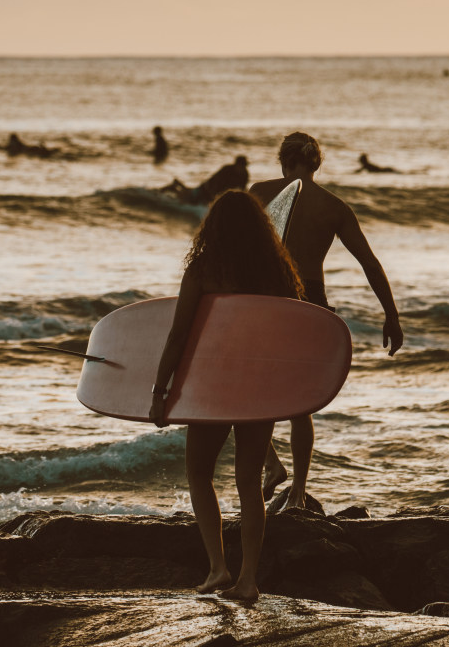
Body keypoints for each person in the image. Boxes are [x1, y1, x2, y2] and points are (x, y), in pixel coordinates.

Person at [149, 190, 305, 602]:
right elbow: (291, 335)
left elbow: (178, 336)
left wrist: (159, 392)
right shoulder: (277, 272)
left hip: (213, 385)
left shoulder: (204, 269)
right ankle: (249, 579)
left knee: (199, 474)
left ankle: (218, 568)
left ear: (213, 227)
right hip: (259, 386)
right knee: (249, 484)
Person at [250, 131, 404, 502]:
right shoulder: (335, 207)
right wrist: (391, 315)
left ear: (284, 162)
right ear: (315, 163)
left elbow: (232, 248)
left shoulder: (258, 192)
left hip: (265, 298)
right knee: (300, 401)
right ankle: (299, 492)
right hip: (310, 300)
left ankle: (271, 465)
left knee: (250, 388)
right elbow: (369, 263)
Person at [162, 156, 249, 205]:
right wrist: (211, 199)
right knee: (189, 198)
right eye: (241, 166)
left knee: (190, 193)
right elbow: (215, 183)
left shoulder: (245, 174)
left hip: (216, 193)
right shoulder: (227, 170)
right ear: (236, 165)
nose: (242, 168)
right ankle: (174, 187)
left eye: (244, 166)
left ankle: (178, 184)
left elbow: (243, 189)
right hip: (207, 188)